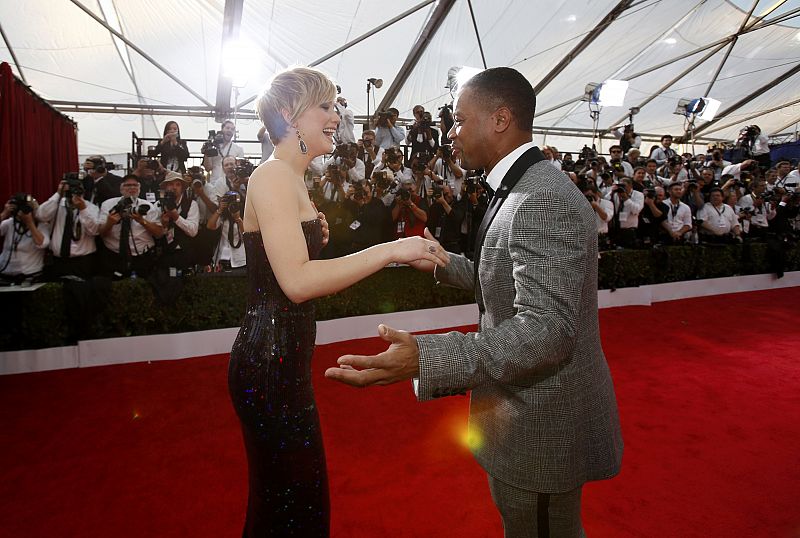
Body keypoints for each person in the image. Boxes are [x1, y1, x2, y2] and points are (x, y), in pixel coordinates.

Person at [325, 67, 623, 537]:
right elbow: (510, 277)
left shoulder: (541, 198)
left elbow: (547, 331)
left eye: (460, 121)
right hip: (521, 419)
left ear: (500, 118)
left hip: (543, 427)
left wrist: (428, 357)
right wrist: (447, 265)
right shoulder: (520, 187)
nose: (450, 133)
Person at [229, 66, 449, 537]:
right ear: (289, 114)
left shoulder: (291, 178)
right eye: (325, 105)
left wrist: (314, 237)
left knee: (292, 505)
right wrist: (391, 249)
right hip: (268, 363)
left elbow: (285, 263)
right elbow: (297, 283)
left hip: (281, 359)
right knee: (292, 509)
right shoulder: (272, 177)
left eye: (336, 105)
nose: (337, 115)